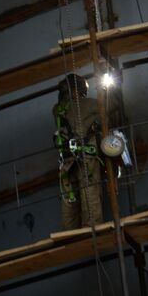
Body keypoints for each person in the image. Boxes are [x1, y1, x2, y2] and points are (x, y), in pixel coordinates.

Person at [53, 72, 104, 230]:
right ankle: (91, 226)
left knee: (69, 196)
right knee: (89, 190)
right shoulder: (89, 104)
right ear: (78, 89)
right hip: (86, 157)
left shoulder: (57, 110)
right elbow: (110, 106)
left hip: (66, 160)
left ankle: (69, 230)